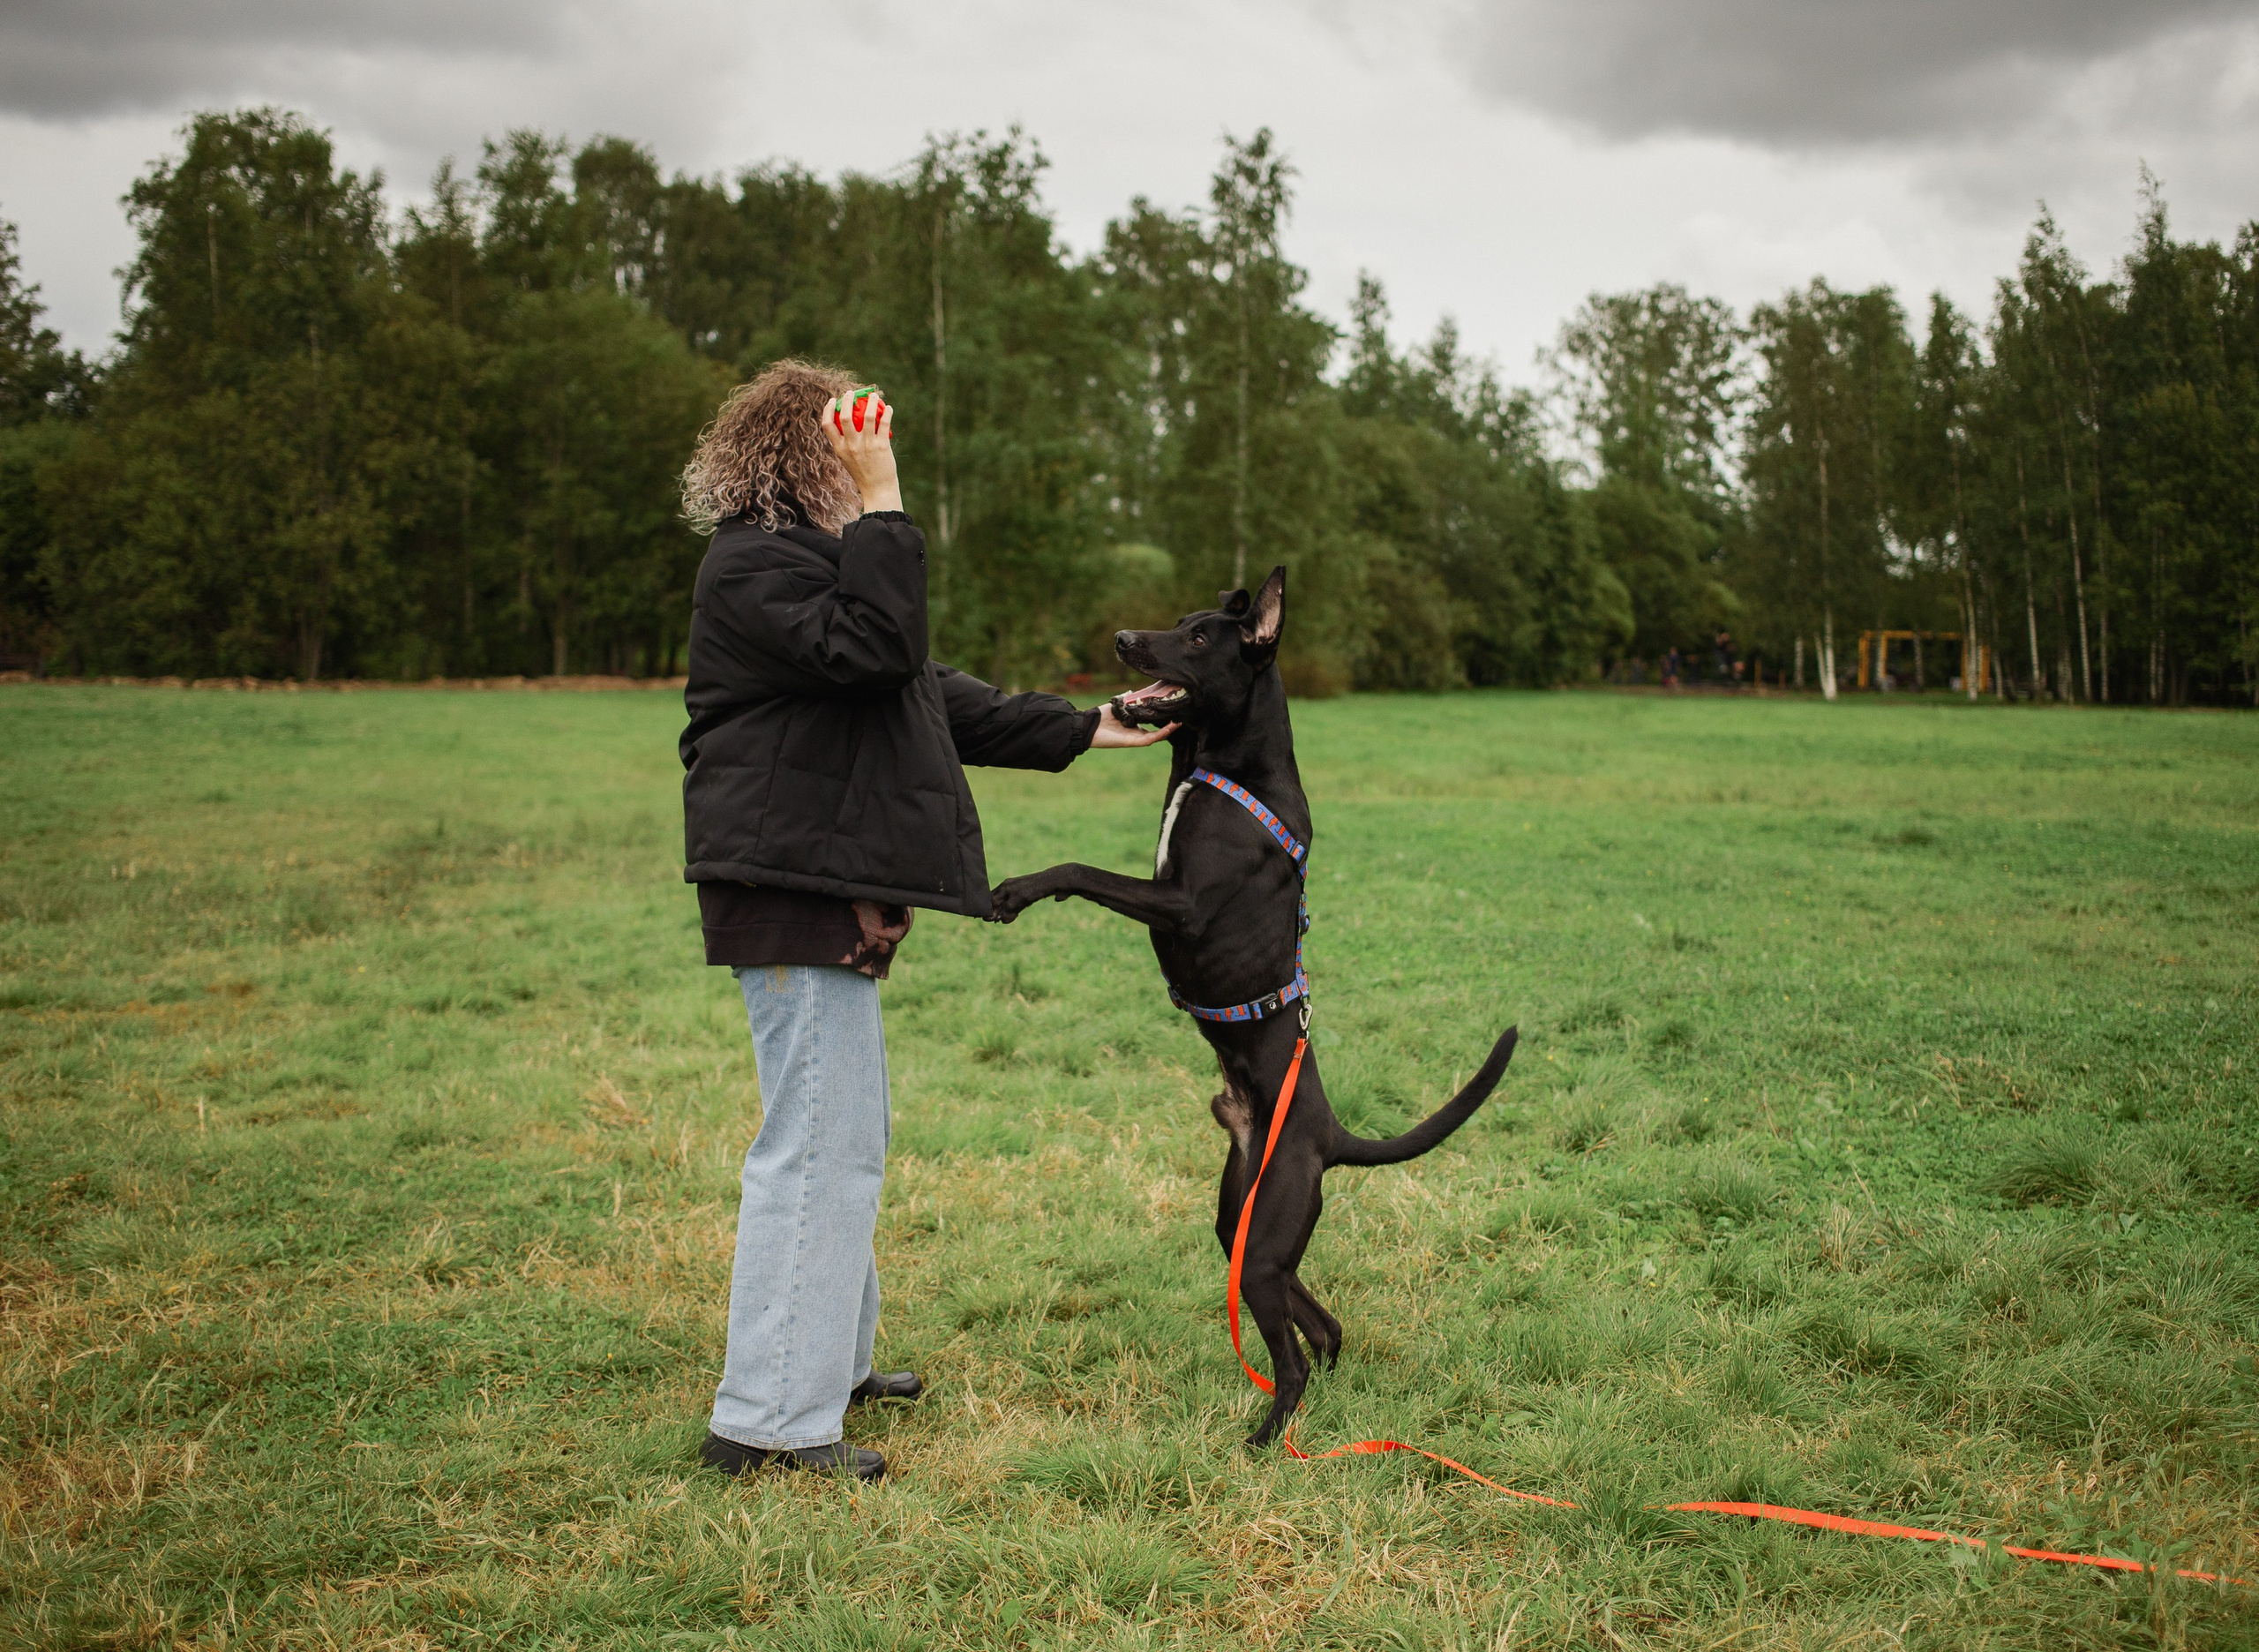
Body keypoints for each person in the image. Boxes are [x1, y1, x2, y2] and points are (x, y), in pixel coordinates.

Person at [676, 361, 1170, 1482]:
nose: (864, 466)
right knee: (817, 1151)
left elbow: (922, 690)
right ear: (811, 457)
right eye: (846, 452)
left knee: (845, 1135)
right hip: (790, 886)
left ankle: (824, 1368)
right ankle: (765, 1426)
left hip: (811, 884)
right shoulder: (752, 563)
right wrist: (885, 495)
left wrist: (1085, 726)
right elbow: (882, 649)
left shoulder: (799, 568)